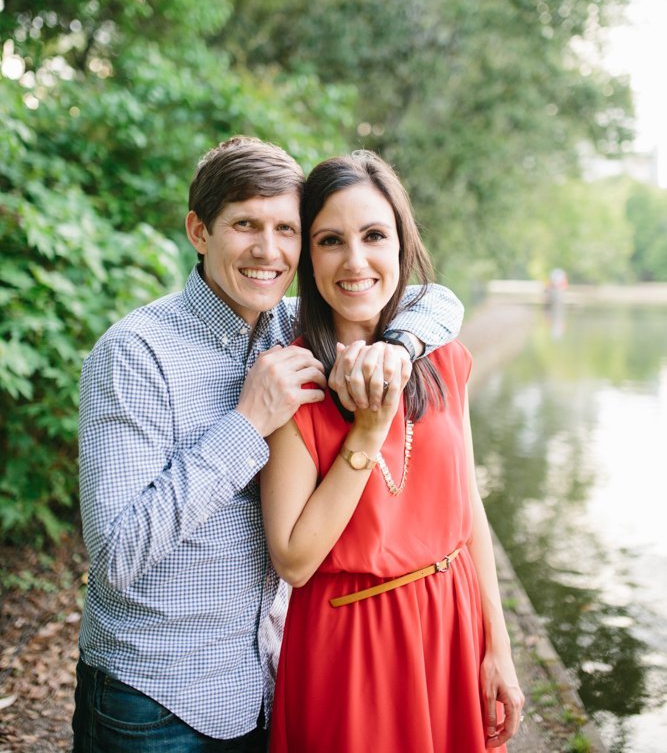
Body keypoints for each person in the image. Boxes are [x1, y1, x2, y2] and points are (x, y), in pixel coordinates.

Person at [73, 136, 465, 752]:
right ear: (199, 231)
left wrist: (400, 347)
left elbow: (435, 299)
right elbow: (116, 554)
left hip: (264, 682)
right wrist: (245, 425)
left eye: (286, 229)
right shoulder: (135, 355)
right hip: (154, 698)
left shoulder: (289, 324)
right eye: (245, 225)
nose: (268, 249)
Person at [261, 151, 524, 753]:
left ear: (401, 243)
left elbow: (468, 510)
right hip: (352, 642)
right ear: (309, 256)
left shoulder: (444, 360)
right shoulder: (292, 383)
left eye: (374, 235)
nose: (356, 261)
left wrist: (498, 648)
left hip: (452, 623)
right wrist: (366, 434)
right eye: (331, 240)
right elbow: (294, 560)